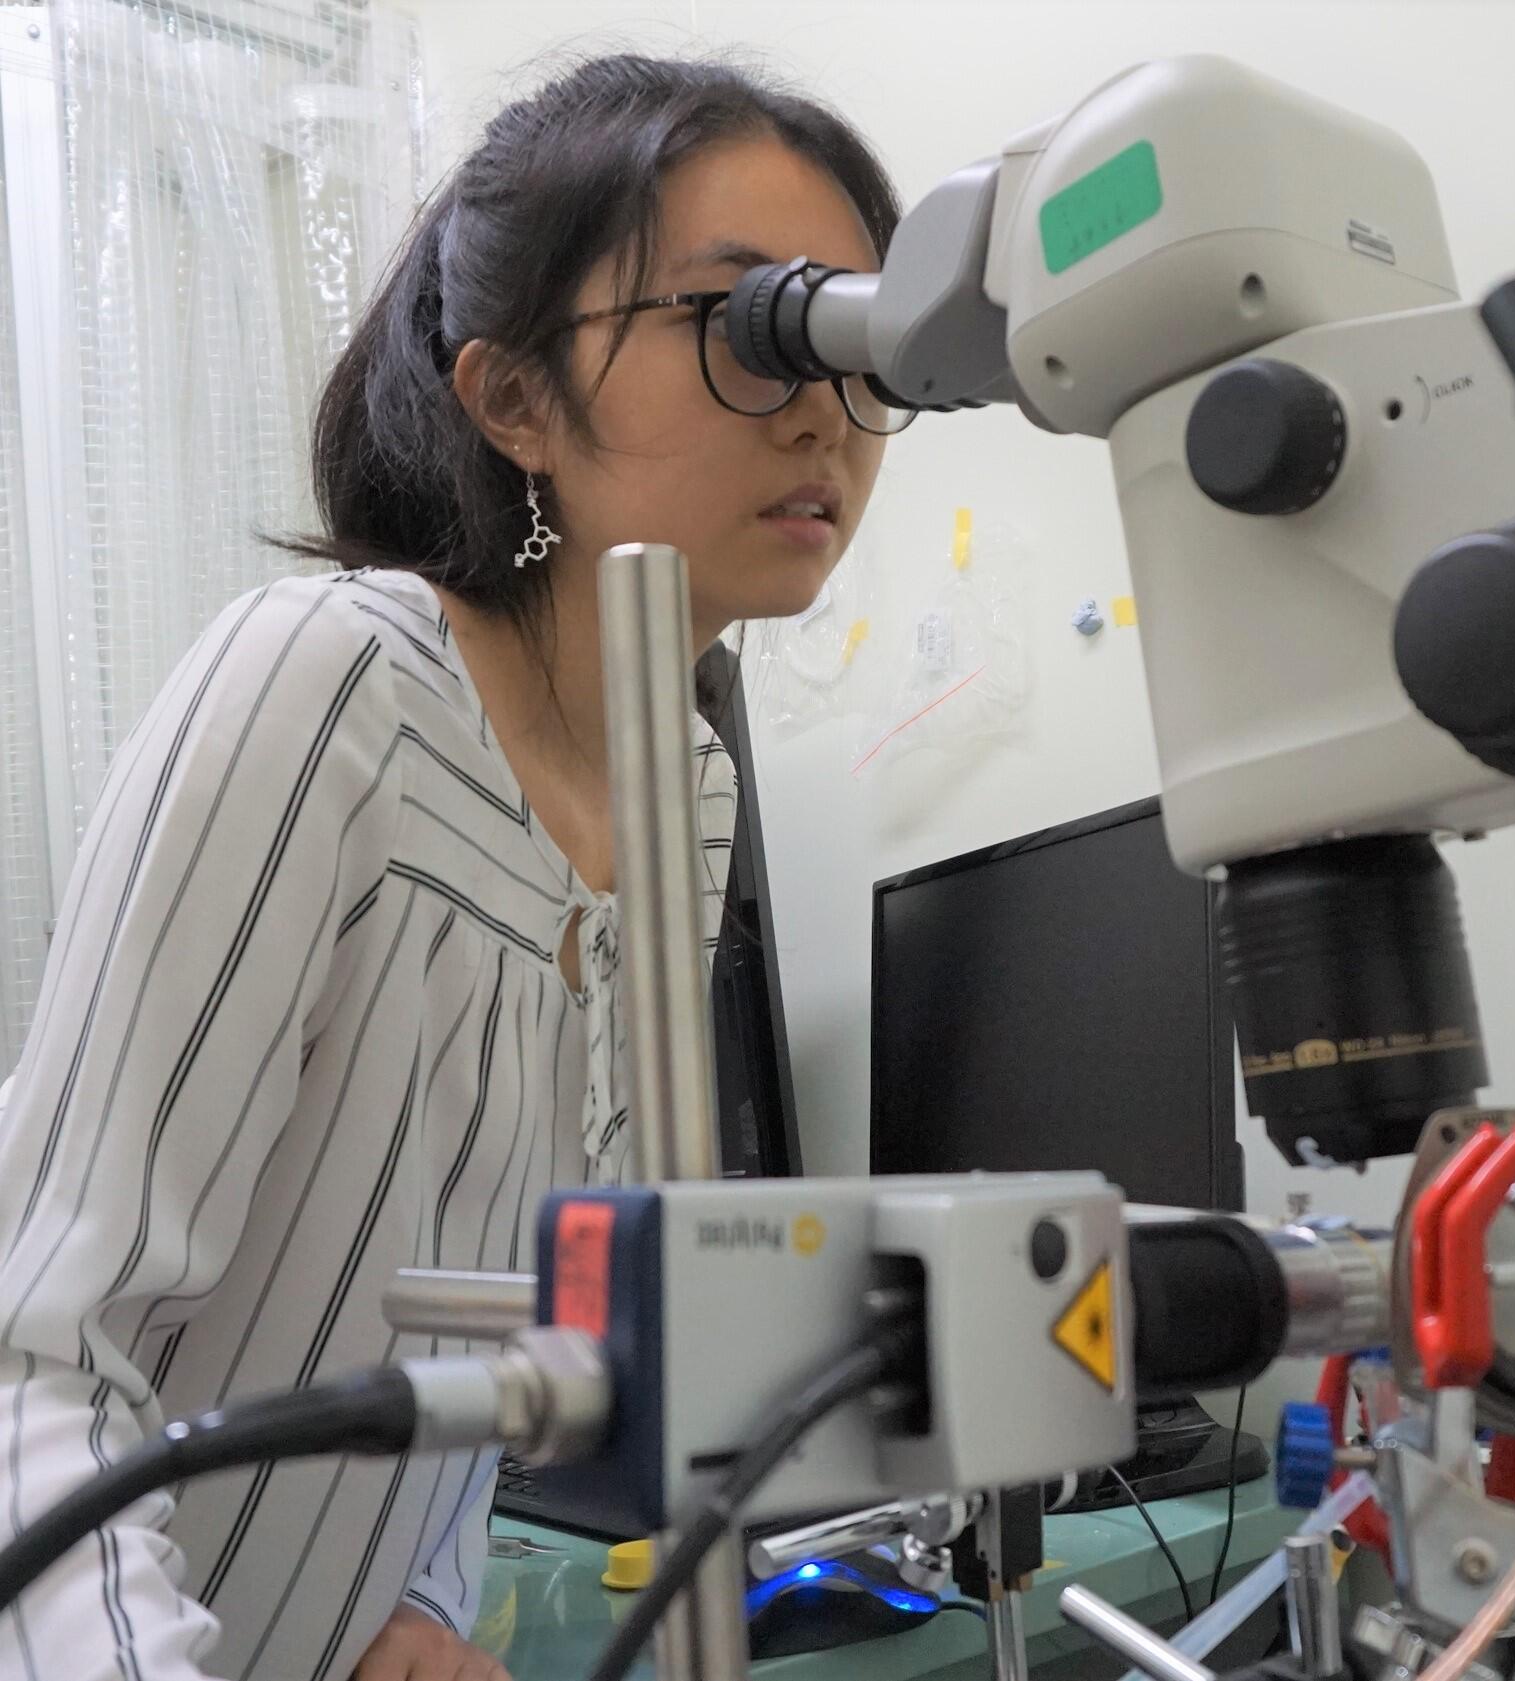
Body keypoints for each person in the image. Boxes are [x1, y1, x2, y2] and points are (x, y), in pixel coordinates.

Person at [0, 52, 907, 1681]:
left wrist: (420, 1591)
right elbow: (37, 1354)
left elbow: (507, 1305)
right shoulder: (327, 682)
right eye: (746, 327)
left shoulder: (686, 787)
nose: (826, 407)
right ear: (513, 398)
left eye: (851, 338)